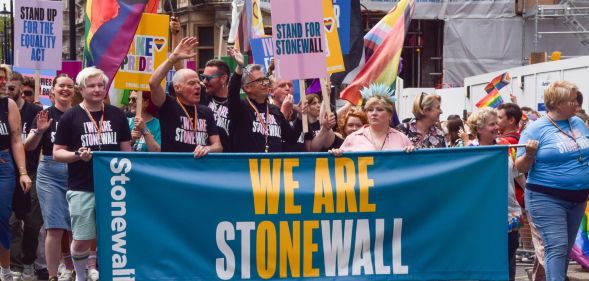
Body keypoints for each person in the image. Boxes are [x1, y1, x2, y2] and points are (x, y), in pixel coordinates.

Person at [53, 67, 132, 281]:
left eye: (100, 85)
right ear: (81, 89)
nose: (98, 90)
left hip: (114, 186)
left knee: (112, 238)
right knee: (81, 239)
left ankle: (108, 274)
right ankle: (80, 276)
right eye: (92, 86)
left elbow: (128, 153)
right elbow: (57, 153)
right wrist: (78, 155)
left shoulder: (117, 114)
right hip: (81, 187)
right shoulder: (70, 116)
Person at [516, 80, 589, 281]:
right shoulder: (536, 129)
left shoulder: (579, 123)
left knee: (564, 250)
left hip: (579, 196)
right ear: (557, 103)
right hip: (546, 197)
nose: (577, 104)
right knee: (556, 246)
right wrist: (529, 154)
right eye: (572, 100)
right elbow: (519, 168)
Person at [24, 74, 75, 281]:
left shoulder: (79, 114)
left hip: (76, 170)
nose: (65, 89)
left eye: (69, 86)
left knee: (76, 226)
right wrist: (38, 131)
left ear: (74, 90)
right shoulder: (44, 114)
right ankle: (53, 275)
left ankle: (75, 269)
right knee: (54, 226)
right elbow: (28, 146)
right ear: (52, 90)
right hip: (49, 173)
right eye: (61, 86)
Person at [467, 107, 525, 281]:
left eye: (496, 123)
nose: (496, 127)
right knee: (484, 260)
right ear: (479, 128)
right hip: (480, 215)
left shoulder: (506, 147)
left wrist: (529, 193)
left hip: (509, 212)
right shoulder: (468, 151)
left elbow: (517, 173)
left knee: (508, 259)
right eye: (492, 124)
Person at [149, 37, 222, 156]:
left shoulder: (206, 111)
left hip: (199, 170)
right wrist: (172, 59)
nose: (198, 86)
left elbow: (218, 146)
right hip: (174, 170)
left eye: (198, 82)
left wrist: (208, 149)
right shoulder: (168, 105)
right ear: (177, 88)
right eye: (192, 83)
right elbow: (153, 83)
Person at [226, 48, 303, 153]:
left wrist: (299, 117)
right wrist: (240, 67)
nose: (265, 83)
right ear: (247, 88)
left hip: (273, 168)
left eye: (265, 80)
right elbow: (232, 93)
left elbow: (291, 139)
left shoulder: (275, 111)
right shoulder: (241, 109)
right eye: (260, 81)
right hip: (247, 168)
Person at [6, 72, 42, 281]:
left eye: (13, 87)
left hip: (32, 172)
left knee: (32, 221)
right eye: (6, 88)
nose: (9, 91)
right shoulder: (2, 111)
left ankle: (28, 262)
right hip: (6, 173)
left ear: (21, 88)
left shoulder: (36, 112)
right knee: (10, 221)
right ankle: (15, 264)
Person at [0, 66, 32, 281]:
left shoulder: (8, 104)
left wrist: (22, 172)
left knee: (2, 217)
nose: (3, 82)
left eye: (4, 78)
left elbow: (16, 140)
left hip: (4, 166)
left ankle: (5, 269)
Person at [330, 84, 414, 154]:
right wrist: (337, 154)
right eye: (370, 110)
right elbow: (341, 167)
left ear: (390, 115)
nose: (374, 113)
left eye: (379, 109)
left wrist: (411, 154)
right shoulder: (352, 138)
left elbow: (414, 166)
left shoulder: (402, 139)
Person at [201, 59, 232, 151]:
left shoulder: (236, 105)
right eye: (203, 77)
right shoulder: (202, 98)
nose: (204, 81)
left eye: (209, 78)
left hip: (230, 160)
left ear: (223, 78)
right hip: (205, 159)